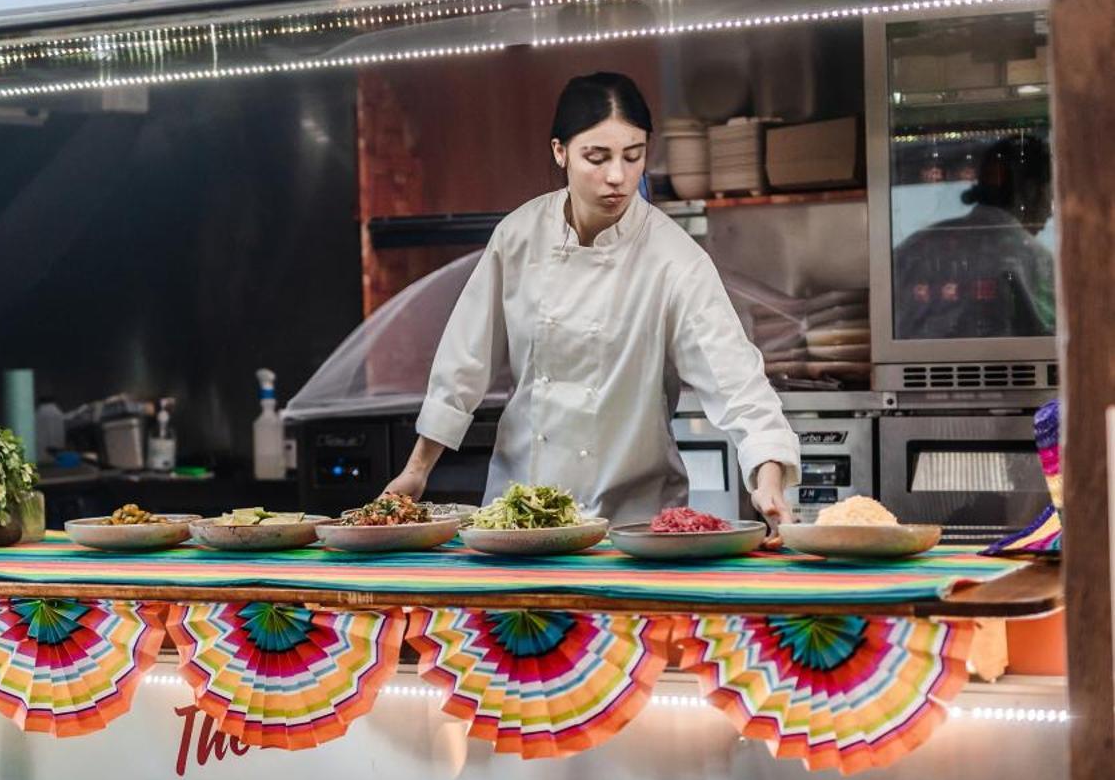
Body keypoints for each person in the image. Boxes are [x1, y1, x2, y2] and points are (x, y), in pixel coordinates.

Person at [387, 71, 800, 528]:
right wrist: (416, 471)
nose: (617, 177)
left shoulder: (674, 260)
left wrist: (768, 478)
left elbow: (739, 384)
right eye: (596, 157)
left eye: (633, 155)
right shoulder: (518, 236)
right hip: (519, 520)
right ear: (559, 151)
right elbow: (463, 363)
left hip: (630, 529)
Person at [893, 134, 1055, 341]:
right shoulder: (1030, 255)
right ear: (1032, 190)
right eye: (1050, 196)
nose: (1050, 212)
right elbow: (1055, 337)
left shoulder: (914, 246)